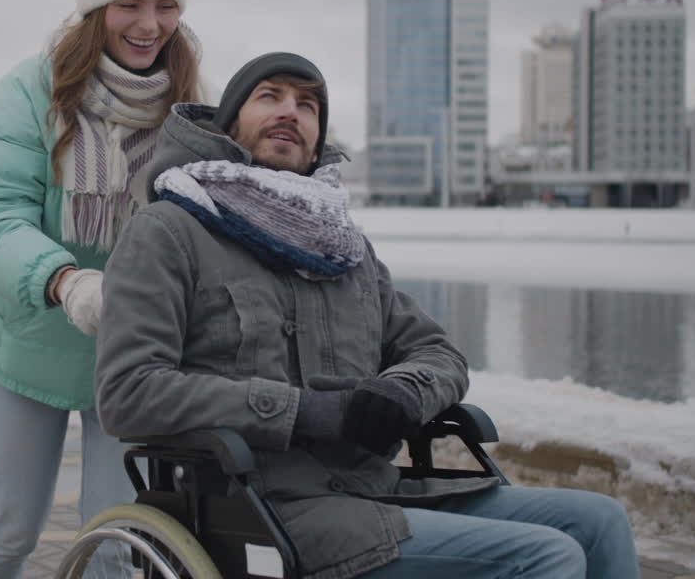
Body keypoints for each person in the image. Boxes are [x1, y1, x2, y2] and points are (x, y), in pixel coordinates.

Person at [96, 52, 640, 579]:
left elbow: (438, 351)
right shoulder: (170, 231)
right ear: (229, 120)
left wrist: (404, 392)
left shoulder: (344, 249)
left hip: (373, 490)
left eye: (308, 105)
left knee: (601, 522)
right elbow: (129, 393)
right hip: (265, 507)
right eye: (271, 96)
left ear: (316, 144)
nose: (291, 111)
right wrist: (305, 411)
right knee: (544, 557)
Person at [0, 0, 210, 579]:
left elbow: (208, 223)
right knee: (12, 523)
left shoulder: (189, 104)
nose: (149, 26)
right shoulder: (28, 93)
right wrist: (66, 281)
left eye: (165, 5)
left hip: (130, 351)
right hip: (32, 333)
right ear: (96, 8)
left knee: (114, 536)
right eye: (129, 3)